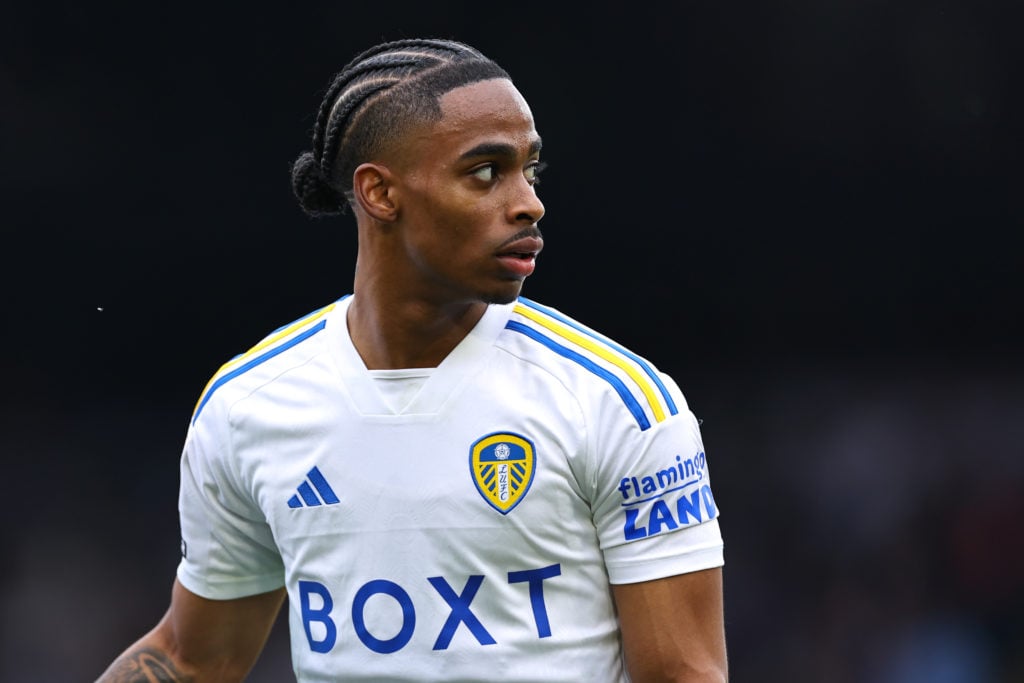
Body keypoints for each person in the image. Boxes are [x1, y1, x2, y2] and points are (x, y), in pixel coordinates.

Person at [96, 37, 727, 682]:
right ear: (380, 194)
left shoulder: (615, 402)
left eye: (529, 171)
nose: (529, 202)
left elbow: (686, 674)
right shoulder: (247, 407)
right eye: (486, 171)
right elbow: (191, 658)